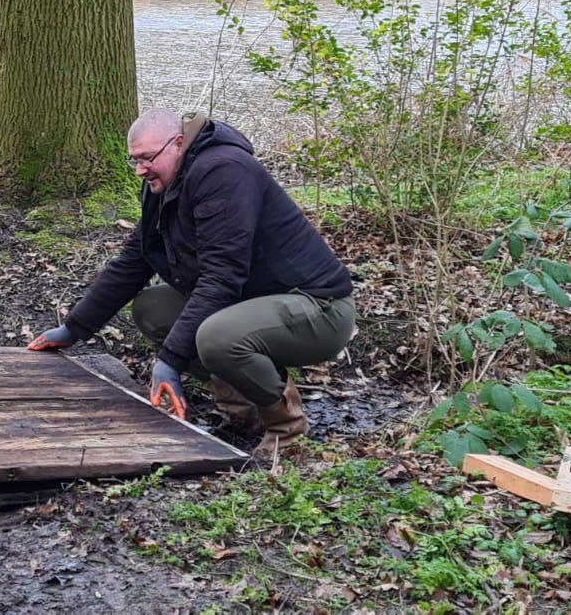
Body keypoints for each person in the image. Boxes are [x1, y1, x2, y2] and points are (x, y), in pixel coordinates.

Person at [27, 109, 354, 458]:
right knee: (153, 308)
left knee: (217, 337)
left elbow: (222, 276)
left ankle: (287, 431)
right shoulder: (165, 182)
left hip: (317, 308)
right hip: (253, 301)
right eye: (134, 160)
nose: (140, 170)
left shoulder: (223, 171)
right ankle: (245, 413)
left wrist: (170, 359)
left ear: (178, 143)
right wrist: (75, 328)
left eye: (148, 158)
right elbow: (136, 259)